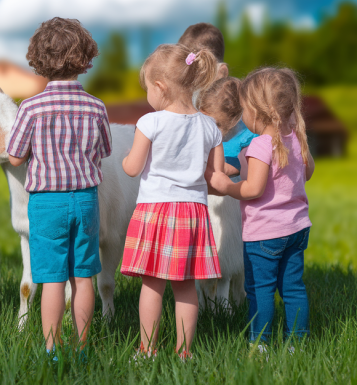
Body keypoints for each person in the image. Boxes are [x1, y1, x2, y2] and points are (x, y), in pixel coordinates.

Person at [6, 18, 112, 358]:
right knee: (83, 276)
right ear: (86, 60)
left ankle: (52, 348)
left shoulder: (31, 108)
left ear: (37, 60)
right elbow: (105, 150)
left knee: (51, 278)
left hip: (46, 203)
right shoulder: (96, 106)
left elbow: (16, 156)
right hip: (85, 200)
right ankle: (82, 347)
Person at [120, 43, 223, 359]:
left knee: (152, 286)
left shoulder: (150, 122)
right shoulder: (210, 126)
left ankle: (147, 349)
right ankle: (184, 352)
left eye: (148, 87)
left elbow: (133, 167)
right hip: (192, 212)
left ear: (160, 87)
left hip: (156, 211)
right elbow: (215, 176)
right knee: (185, 286)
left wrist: (124, 159)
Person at [209, 67, 315, 346]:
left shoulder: (260, 145)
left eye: (243, 108)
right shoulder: (295, 139)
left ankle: (260, 344)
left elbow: (253, 189)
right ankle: (297, 344)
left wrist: (226, 186)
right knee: (293, 289)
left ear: (256, 111)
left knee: (260, 290)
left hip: (265, 235)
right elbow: (308, 171)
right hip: (297, 229)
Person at [179, 23, 256, 175]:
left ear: (221, 73)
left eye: (200, 78)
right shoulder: (185, 109)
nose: (191, 87)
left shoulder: (241, 121)